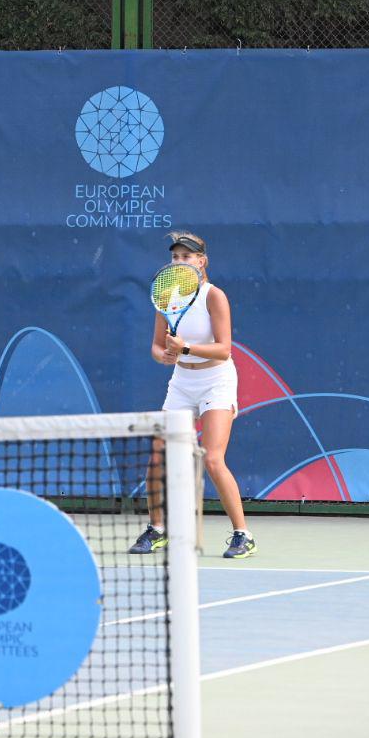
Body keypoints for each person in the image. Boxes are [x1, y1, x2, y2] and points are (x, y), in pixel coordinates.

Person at [130, 230, 256, 559]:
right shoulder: (166, 297)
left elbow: (224, 349)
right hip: (182, 382)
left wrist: (185, 347)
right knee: (158, 459)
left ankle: (242, 535)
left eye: (186, 256)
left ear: (202, 262)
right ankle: (157, 529)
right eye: (175, 257)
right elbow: (157, 346)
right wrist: (164, 355)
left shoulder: (215, 296)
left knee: (212, 459)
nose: (179, 262)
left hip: (216, 380)